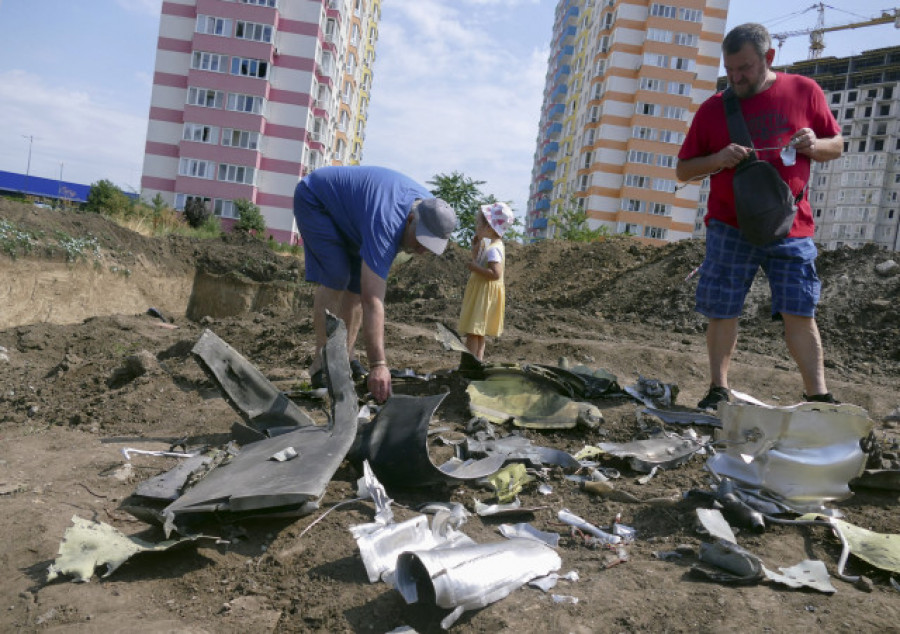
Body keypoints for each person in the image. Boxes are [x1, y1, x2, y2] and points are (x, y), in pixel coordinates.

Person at [675, 23, 843, 411]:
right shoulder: (714, 109)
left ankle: (818, 396)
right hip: (729, 226)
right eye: (729, 69)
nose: (735, 77)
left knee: (800, 309)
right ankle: (718, 388)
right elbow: (684, 171)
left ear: (768, 58)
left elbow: (836, 145)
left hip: (791, 225)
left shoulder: (804, 91)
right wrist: (717, 159)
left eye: (744, 68)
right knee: (723, 309)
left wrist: (814, 145)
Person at [293, 165, 457, 402]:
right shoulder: (388, 221)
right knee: (337, 275)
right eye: (420, 241)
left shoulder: (433, 213)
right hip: (317, 199)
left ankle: (344, 360)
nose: (421, 251)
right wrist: (378, 364)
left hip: (356, 216)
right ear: (410, 220)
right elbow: (373, 300)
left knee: (356, 287)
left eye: (429, 247)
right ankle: (322, 363)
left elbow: (363, 293)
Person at [458, 202, 514, 361]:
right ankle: (477, 364)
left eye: (478, 223)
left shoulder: (494, 249)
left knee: (473, 332)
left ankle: (469, 366)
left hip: (484, 295)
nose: (476, 226)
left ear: (489, 227)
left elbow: (495, 274)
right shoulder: (492, 246)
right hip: (482, 294)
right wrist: (475, 252)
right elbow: (482, 263)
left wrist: (474, 267)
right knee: (478, 332)